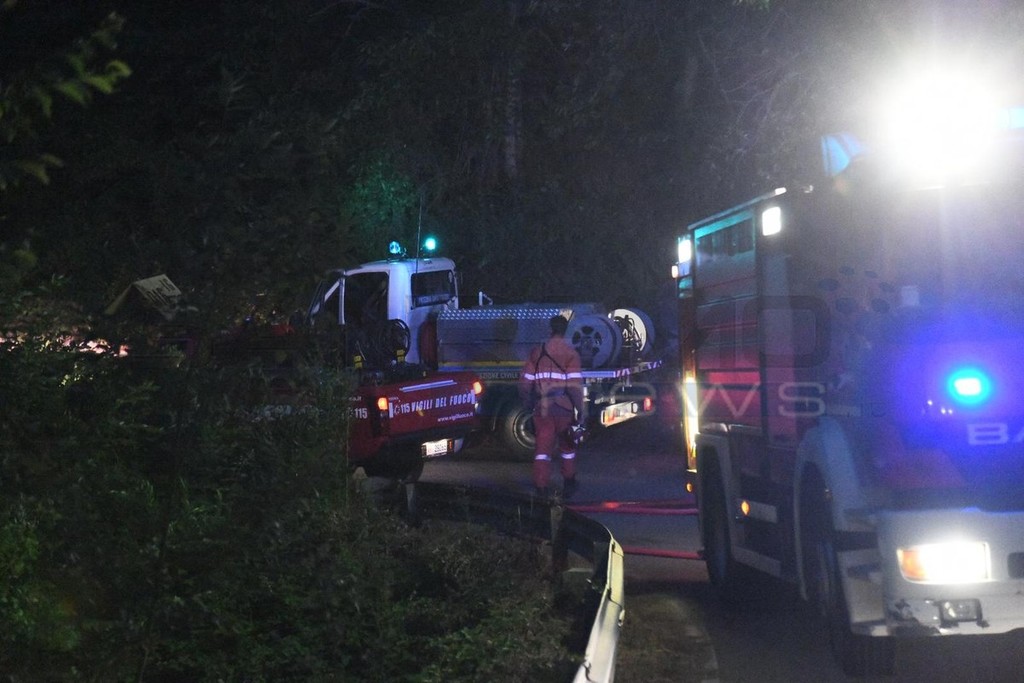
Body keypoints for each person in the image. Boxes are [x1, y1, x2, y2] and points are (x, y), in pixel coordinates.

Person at [519, 314, 585, 498]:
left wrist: (528, 403)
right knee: (567, 447)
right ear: (566, 331)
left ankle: (541, 486)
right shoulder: (571, 354)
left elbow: (525, 383)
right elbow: (574, 387)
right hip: (564, 408)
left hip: (542, 408)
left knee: (542, 449)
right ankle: (569, 483)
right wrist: (580, 410)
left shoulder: (537, 352)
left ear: (550, 329)